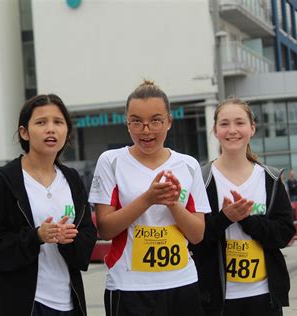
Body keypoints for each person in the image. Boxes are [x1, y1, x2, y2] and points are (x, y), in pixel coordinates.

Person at [88, 80, 211, 316]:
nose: (146, 130)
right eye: (137, 122)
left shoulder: (188, 165)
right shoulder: (111, 162)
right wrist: (148, 198)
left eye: (156, 121)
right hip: (129, 286)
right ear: (127, 124)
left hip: (182, 283)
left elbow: (197, 235)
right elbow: (105, 229)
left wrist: (173, 203)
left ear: (169, 122)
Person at [0, 94, 97, 316]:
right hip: (22, 303)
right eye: (41, 122)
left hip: (67, 303)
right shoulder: (6, 179)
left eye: (58, 122)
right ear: (24, 132)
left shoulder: (72, 179)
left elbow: (88, 238)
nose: (51, 129)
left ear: (67, 132)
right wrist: (37, 237)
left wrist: (68, 239)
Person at [190, 98, 295, 316]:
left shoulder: (271, 179)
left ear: (252, 128)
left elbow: (284, 234)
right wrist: (225, 217)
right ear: (215, 130)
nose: (232, 131)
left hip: (265, 296)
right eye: (224, 124)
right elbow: (193, 240)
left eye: (239, 123)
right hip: (216, 299)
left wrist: (248, 220)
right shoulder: (201, 178)